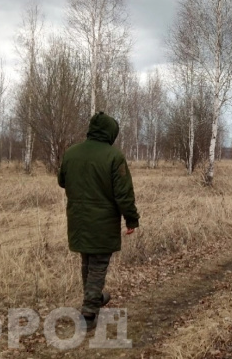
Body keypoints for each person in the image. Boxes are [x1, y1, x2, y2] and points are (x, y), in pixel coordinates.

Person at [57, 112, 140, 330]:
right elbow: (124, 194)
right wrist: (131, 219)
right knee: (98, 265)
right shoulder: (114, 156)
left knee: (87, 262)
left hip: (77, 218)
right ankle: (89, 312)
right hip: (103, 221)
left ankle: (94, 298)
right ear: (110, 132)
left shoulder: (71, 153)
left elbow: (62, 181)